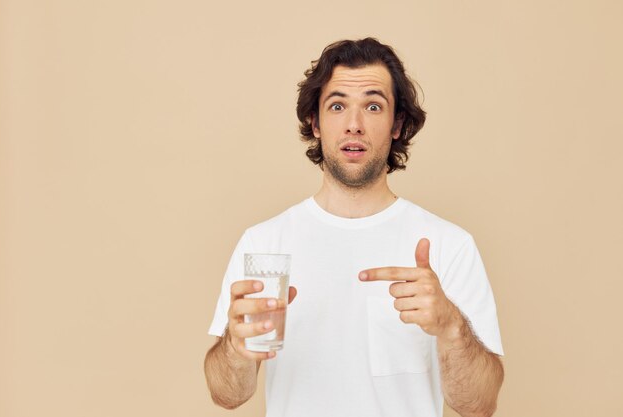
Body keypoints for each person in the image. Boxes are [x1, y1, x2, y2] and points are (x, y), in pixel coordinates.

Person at [204, 38, 504, 417]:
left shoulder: (450, 245)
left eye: (373, 106)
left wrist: (450, 326)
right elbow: (226, 395)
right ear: (315, 122)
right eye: (337, 106)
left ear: (397, 125)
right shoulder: (264, 243)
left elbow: (480, 405)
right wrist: (234, 346)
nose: (354, 125)